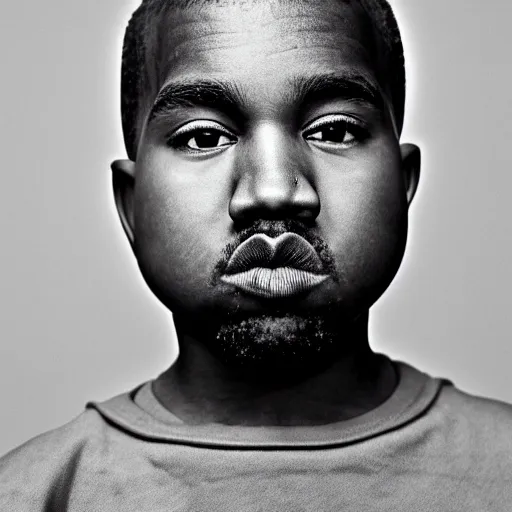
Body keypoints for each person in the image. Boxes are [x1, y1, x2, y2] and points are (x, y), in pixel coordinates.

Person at [1, 0, 511, 509]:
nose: (272, 191)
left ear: (403, 186)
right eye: (203, 137)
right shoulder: (32, 493)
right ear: (131, 207)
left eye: (334, 131)